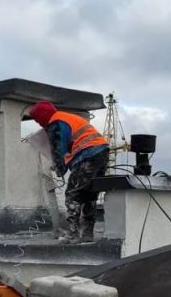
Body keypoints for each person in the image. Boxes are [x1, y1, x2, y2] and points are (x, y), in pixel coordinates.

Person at [28, 101, 110, 243]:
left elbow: (57, 150)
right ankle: (87, 234)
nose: (39, 124)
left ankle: (73, 234)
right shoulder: (66, 117)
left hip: (88, 154)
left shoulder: (54, 123)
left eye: (38, 121)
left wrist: (59, 169)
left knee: (72, 194)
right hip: (102, 152)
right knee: (90, 193)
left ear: (42, 117)